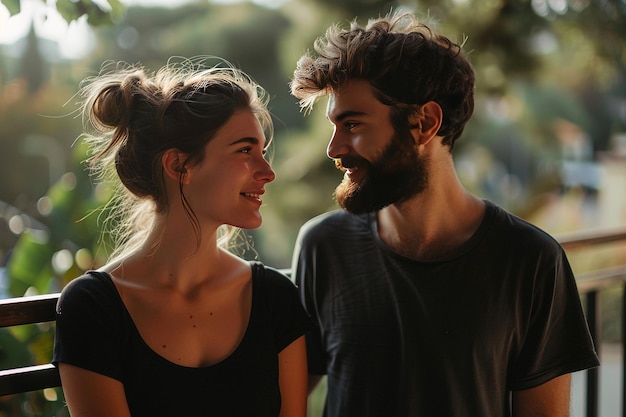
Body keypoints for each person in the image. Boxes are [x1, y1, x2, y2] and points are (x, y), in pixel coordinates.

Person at [289, 11, 599, 417]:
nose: (334, 148)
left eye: (353, 124)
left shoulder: (532, 261)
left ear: (425, 123)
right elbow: (284, 402)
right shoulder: (323, 247)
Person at [53, 57, 312, 417]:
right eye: (244, 150)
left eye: (262, 152)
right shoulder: (94, 307)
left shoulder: (275, 299)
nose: (267, 172)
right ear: (179, 165)